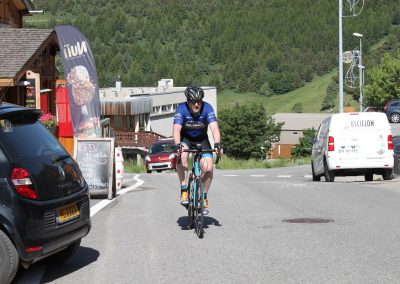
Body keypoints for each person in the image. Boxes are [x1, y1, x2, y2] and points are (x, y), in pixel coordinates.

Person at [173, 84, 222, 215]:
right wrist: (177, 144)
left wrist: (217, 144)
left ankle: (204, 197)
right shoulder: (181, 109)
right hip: (186, 139)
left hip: (202, 140)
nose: (196, 105)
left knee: (208, 168)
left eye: (199, 102)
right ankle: (184, 190)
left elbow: (214, 129)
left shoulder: (207, 108)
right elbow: (177, 129)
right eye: (193, 102)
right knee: (182, 155)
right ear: (188, 101)